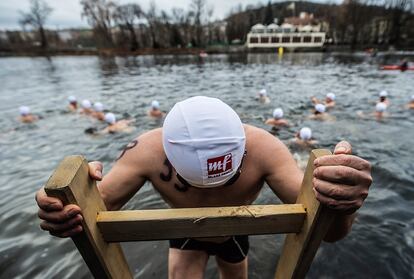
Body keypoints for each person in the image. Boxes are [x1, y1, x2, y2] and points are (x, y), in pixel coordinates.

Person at [35, 96, 372, 279]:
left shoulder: (266, 148)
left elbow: (327, 232)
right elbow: (93, 209)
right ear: (168, 155)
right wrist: (62, 206)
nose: (212, 190)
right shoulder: (147, 151)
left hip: (236, 231)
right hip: (184, 231)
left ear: (242, 149)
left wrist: (342, 204)